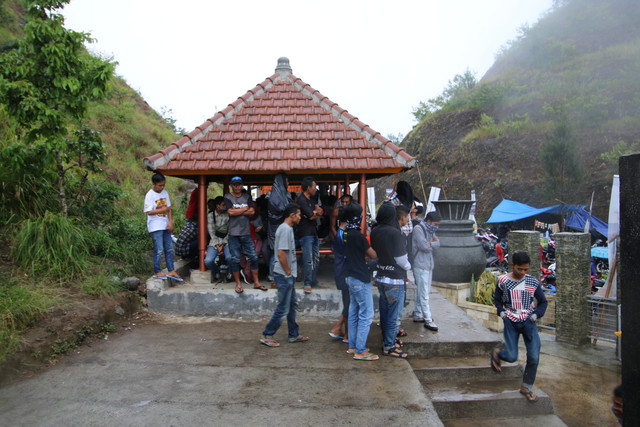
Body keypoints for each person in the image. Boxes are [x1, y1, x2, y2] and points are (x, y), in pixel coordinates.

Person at [491, 251, 548, 402]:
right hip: (510, 320)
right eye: (519, 269)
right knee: (511, 356)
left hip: (528, 321)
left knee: (534, 357)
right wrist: (502, 313)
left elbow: (543, 302)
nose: (522, 272)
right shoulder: (502, 280)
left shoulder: (533, 282)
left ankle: (526, 386)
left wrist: (535, 315)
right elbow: (497, 300)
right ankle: (498, 353)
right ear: (512, 265)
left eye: (525, 270)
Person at [260, 203, 309, 347]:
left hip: (287, 274)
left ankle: (293, 334)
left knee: (291, 305)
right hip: (284, 275)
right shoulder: (285, 230)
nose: (300, 217)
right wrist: (288, 272)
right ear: (292, 216)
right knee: (283, 308)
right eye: (299, 215)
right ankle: (267, 334)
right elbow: (281, 253)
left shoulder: (286, 229)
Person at [371, 203, 410, 358]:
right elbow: (401, 259)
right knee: (394, 314)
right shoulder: (395, 233)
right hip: (395, 279)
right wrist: (409, 266)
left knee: (385, 312)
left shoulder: (375, 231)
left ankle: (388, 340)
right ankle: (389, 346)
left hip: (381, 275)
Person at [343, 202, 378, 361]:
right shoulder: (358, 235)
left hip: (349, 276)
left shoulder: (344, 234)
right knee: (366, 314)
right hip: (360, 277)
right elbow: (373, 255)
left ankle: (352, 346)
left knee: (354, 311)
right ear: (358, 217)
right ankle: (360, 350)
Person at [224, 176, 268, 293]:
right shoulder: (227, 197)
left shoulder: (247, 196)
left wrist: (237, 210)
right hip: (233, 234)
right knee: (235, 259)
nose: (237, 187)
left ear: (242, 185)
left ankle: (256, 282)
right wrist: (245, 209)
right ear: (231, 185)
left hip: (246, 232)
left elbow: (252, 211)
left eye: (239, 184)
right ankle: (238, 284)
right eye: (235, 185)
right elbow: (230, 212)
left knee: (253, 256)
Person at [144, 172, 182, 281]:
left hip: (165, 224)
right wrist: (162, 210)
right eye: (160, 185)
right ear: (154, 184)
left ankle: (171, 270)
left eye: (163, 185)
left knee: (169, 248)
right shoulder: (150, 195)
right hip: (155, 226)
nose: (162, 187)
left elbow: (169, 208)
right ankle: (157, 271)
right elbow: (149, 212)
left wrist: (170, 222)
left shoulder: (165, 193)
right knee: (159, 249)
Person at [328, 195, 356, 341]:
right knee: (349, 302)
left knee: (348, 302)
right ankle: (345, 333)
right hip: (346, 273)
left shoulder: (342, 234)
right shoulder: (346, 235)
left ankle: (341, 329)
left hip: (342, 272)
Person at [412, 211, 441, 331]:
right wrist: (431, 244)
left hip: (429, 264)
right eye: (435, 223)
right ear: (429, 221)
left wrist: (431, 244)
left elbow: (438, 243)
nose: (436, 226)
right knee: (424, 293)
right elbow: (424, 247)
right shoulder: (419, 229)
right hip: (420, 264)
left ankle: (418, 314)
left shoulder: (431, 230)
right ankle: (428, 319)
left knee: (424, 291)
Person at [296, 176, 324, 293]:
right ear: (308, 188)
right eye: (314, 187)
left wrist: (315, 212)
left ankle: (313, 280)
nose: (316, 189)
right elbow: (312, 215)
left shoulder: (312, 200)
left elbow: (320, 211)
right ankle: (307, 283)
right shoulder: (301, 200)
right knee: (308, 259)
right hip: (305, 233)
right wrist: (314, 213)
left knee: (316, 257)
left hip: (313, 232)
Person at [204, 196, 230, 281]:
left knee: (230, 258)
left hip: (226, 242)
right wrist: (217, 245)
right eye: (223, 205)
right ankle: (216, 272)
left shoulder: (228, 215)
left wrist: (223, 243)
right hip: (214, 242)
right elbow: (211, 232)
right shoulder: (210, 216)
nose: (225, 207)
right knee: (208, 261)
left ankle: (230, 272)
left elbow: (229, 231)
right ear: (217, 206)